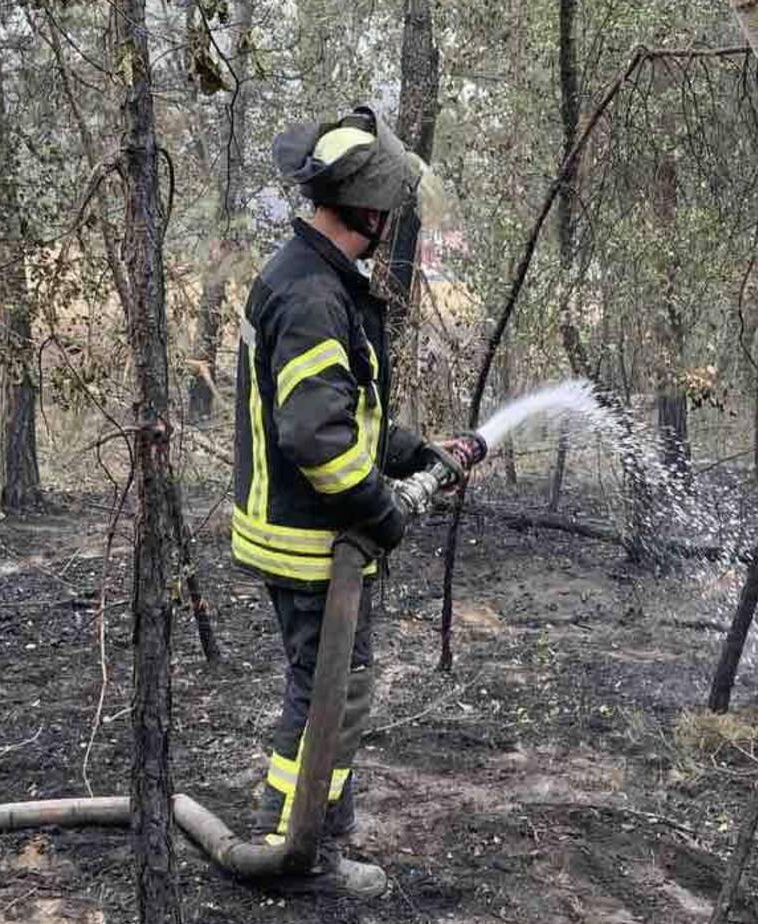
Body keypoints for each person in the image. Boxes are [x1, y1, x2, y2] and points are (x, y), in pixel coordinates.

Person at [230, 103, 463, 851]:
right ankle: (305, 847)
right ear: (365, 208)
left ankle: (301, 832)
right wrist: (383, 510)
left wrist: (412, 451)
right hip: (311, 541)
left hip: (303, 531)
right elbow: (316, 437)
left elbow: (339, 411)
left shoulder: (311, 276)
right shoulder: (311, 296)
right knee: (330, 694)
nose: (395, 220)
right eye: (390, 207)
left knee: (320, 689)